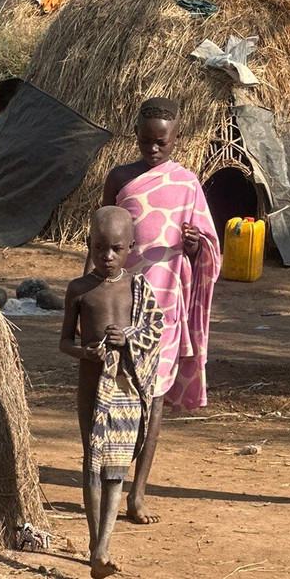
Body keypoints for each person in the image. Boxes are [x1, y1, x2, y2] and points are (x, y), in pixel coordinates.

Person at [101, 97, 220, 525]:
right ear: (136, 136)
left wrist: (193, 245)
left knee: (153, 402)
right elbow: (100, 239)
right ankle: (105, 483)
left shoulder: (187, 183)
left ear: (175, 141)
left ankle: (139, 493)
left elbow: (206, 244)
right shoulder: (120, 178)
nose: (154, 150)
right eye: (147, 141)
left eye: (163, 143)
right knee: (113, 394)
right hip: (118, 302)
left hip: (165, 306)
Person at [60, 206, 164, 578]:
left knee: (116, 469)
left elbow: (156, 327)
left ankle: (103, 545)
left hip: (124, 389)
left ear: (130, 248)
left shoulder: (138, 288)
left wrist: (128, 339)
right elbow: (63, 342)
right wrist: (84, 353)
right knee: (92, 462)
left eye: (115, 249)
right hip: (91, 385)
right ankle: (94, 545)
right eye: (99, 247)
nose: (106, 256)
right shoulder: (79, 289)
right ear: (89, 244)